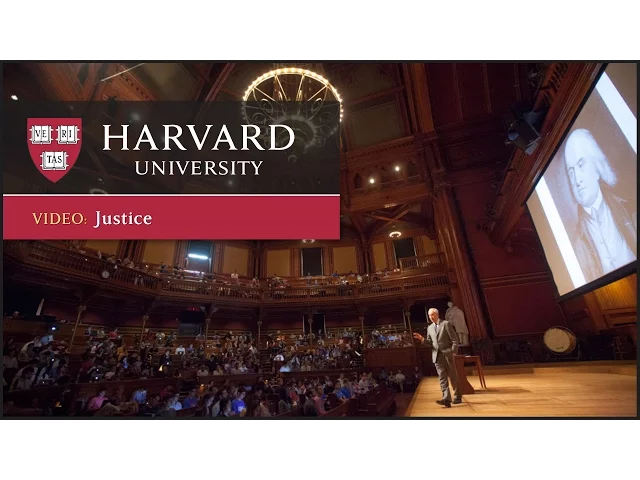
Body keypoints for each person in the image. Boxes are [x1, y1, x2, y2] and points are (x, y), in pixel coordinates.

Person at [563, 128, 637, 283]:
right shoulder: (578, 241)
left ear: (597, 168)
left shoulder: (630, 209)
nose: (577, 180)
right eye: (571, 172)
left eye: (581, 165)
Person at [413, 307, 461, 407]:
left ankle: (457, 396)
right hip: (436, 357)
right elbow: (430, 343)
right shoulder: (429, 328)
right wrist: (422, 339)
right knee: (442, 378)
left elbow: (455, 340)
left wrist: (453, 351)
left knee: (453, 376)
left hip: (447, 354)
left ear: (437, 314)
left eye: (432, 315)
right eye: (429, 315)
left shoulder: (446, 324)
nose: (431, 317)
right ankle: (446, 399)